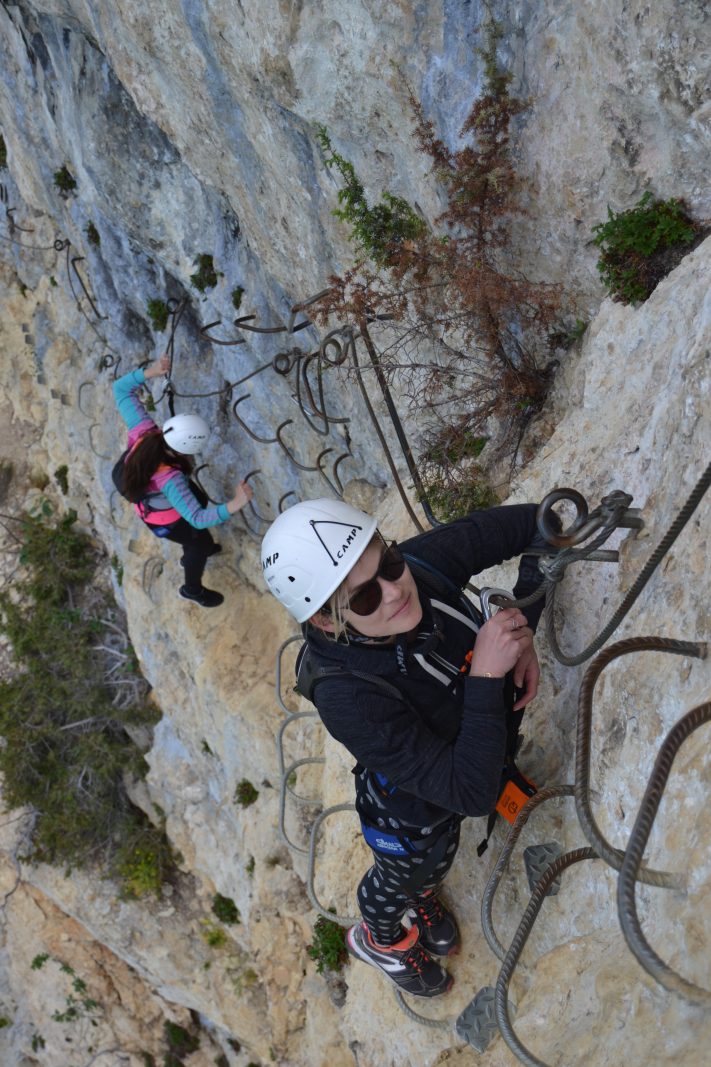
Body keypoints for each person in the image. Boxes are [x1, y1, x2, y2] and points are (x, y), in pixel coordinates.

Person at [261, 497, 548, 997]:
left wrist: (520, 628)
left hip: (465, 757)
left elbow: (540, 521)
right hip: (412, 814)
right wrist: (486, 676)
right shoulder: (347, 697)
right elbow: (471, 794)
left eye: (389, 563)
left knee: (426, 869)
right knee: (406, 874)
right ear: (326, 622)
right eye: (365, 598)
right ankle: (381, 938)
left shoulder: (418, 569)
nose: (396, 590)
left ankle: (420, 896)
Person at [113, 354, 253, 607]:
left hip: (155, 503)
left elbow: (120, 390)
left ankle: (195, 550)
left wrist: (151, 372)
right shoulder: (170, 480)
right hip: (166, 521)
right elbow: (197, 518)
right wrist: (236, 503)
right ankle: (192, 588)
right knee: (199, 541)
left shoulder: (145, 430)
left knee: (197, 506)